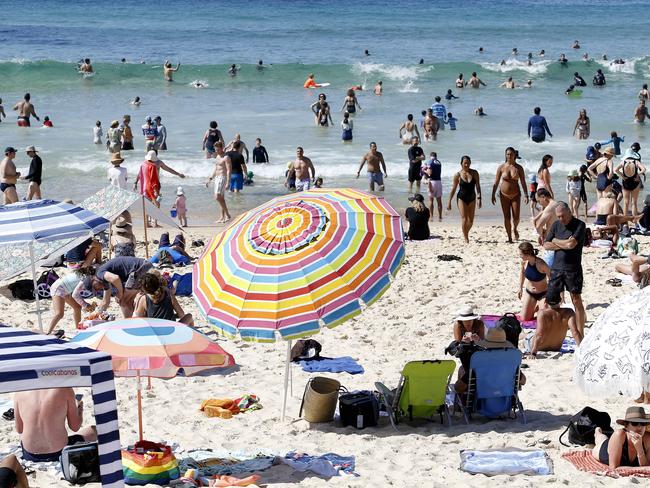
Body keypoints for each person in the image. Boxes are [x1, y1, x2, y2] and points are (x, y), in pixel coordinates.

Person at [14, 388, 96, 462]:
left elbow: (19, 429)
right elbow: (75, 427)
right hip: (59, 453)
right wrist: (79, 409)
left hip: (30, 454)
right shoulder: (65, 389)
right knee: (94, 430)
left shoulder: (19, 391)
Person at [543, 202, 587, 334]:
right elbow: (546, 244)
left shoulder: (579, 225)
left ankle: (580, 331)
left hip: (572, 268)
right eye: (558, 216)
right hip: (556, 268)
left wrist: (556, 241)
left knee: (576, 299)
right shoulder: (556, 225)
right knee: (552, 299)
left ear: (569, 211)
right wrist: (562, 243)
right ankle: (556, 329)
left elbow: (572, 244)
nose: (561, 219)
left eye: (562, 216)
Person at [85, 256, 153, 317]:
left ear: (93, 279)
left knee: (123, 300)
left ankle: (130, 322)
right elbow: (105, 302)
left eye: (95, 287)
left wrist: (120, 294)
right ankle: (134, 319)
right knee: (127, 301)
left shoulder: (99, 273)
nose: (98, 289)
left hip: (141, 268)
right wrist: (97, 314)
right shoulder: (104, 280)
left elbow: (115, 278)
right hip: (143, 268)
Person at [492, 147, 528, 243]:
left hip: (516, 194)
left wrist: (526, 195)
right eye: (507, 154)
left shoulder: (519, 168)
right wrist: (493, 194)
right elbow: (496, 182)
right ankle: (509, 238)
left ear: (515, 155)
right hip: (503, 195)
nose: (509, 156)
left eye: (511, 154)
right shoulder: (501, 167)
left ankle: (515, 228)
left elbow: (523, 182)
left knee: (516, 217)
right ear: (505, 155)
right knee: (507, 217)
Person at [46, 270, 96, 335]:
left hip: (65, 289)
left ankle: (78, 329)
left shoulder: (86, 276)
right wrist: (86, 305)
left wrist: (85, 305)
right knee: (59, 314)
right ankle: (48, 332)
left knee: (77, 307)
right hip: (58, 288)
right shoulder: (85, 279)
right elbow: (75, 295)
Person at [447, 155, 481, 243]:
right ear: (461, 163)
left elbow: (478, 186)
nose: (466, 165)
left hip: (472, 198)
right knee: (464, 218)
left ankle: (466, 232)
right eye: (465, 163)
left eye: (468, 163)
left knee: (471, 220)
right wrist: (449, 201)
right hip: (461, 198)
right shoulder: (457, 175)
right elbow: (453, 189)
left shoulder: (474, 173)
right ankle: (466, 237)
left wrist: (479, 198)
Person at [518, 241, 550, 320]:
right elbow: (522, 273)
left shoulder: (541, 264)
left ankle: (540, 305)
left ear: (527, 254)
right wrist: (520, 288)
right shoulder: (524, 262)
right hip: (530, 293)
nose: (519, 256)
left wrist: (551, 293)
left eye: (520, 254)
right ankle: (534, 307)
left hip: (543, 293)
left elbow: (552, 277)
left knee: (544, 317)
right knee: (525, 318)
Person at [205, 141, 232, 223]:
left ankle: (227, 214)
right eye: (215, 149)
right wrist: (210, 179)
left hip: (222, 178)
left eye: (217, 149)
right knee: (221, 198)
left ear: (221, 148)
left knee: (217, 197)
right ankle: (222, 217)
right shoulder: (217, 156)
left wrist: (228, 182)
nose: (216, 151)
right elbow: (215, 169)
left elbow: (229, 170)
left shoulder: (226, 157)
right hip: (217, 178)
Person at [615, 149, 646, 217]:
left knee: (626, 202)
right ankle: (634, 220)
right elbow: (644, 169)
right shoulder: (636, 162)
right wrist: (638, 174)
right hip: (635, 182)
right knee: (634, 203)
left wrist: (622, 176)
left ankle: (625, 219)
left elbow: (616, 170)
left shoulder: (623, 162)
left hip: (626, 182)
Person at [423, 152, 442, 221]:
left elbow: (430, 173)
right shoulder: (439, 162)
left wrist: (424, 170)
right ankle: (440, 217)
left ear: (430, 156)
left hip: (432, 182)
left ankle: (431, 216)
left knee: (431, 200)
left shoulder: (430, 162)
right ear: (436, 156)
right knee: (439, 201)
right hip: (439, 182)